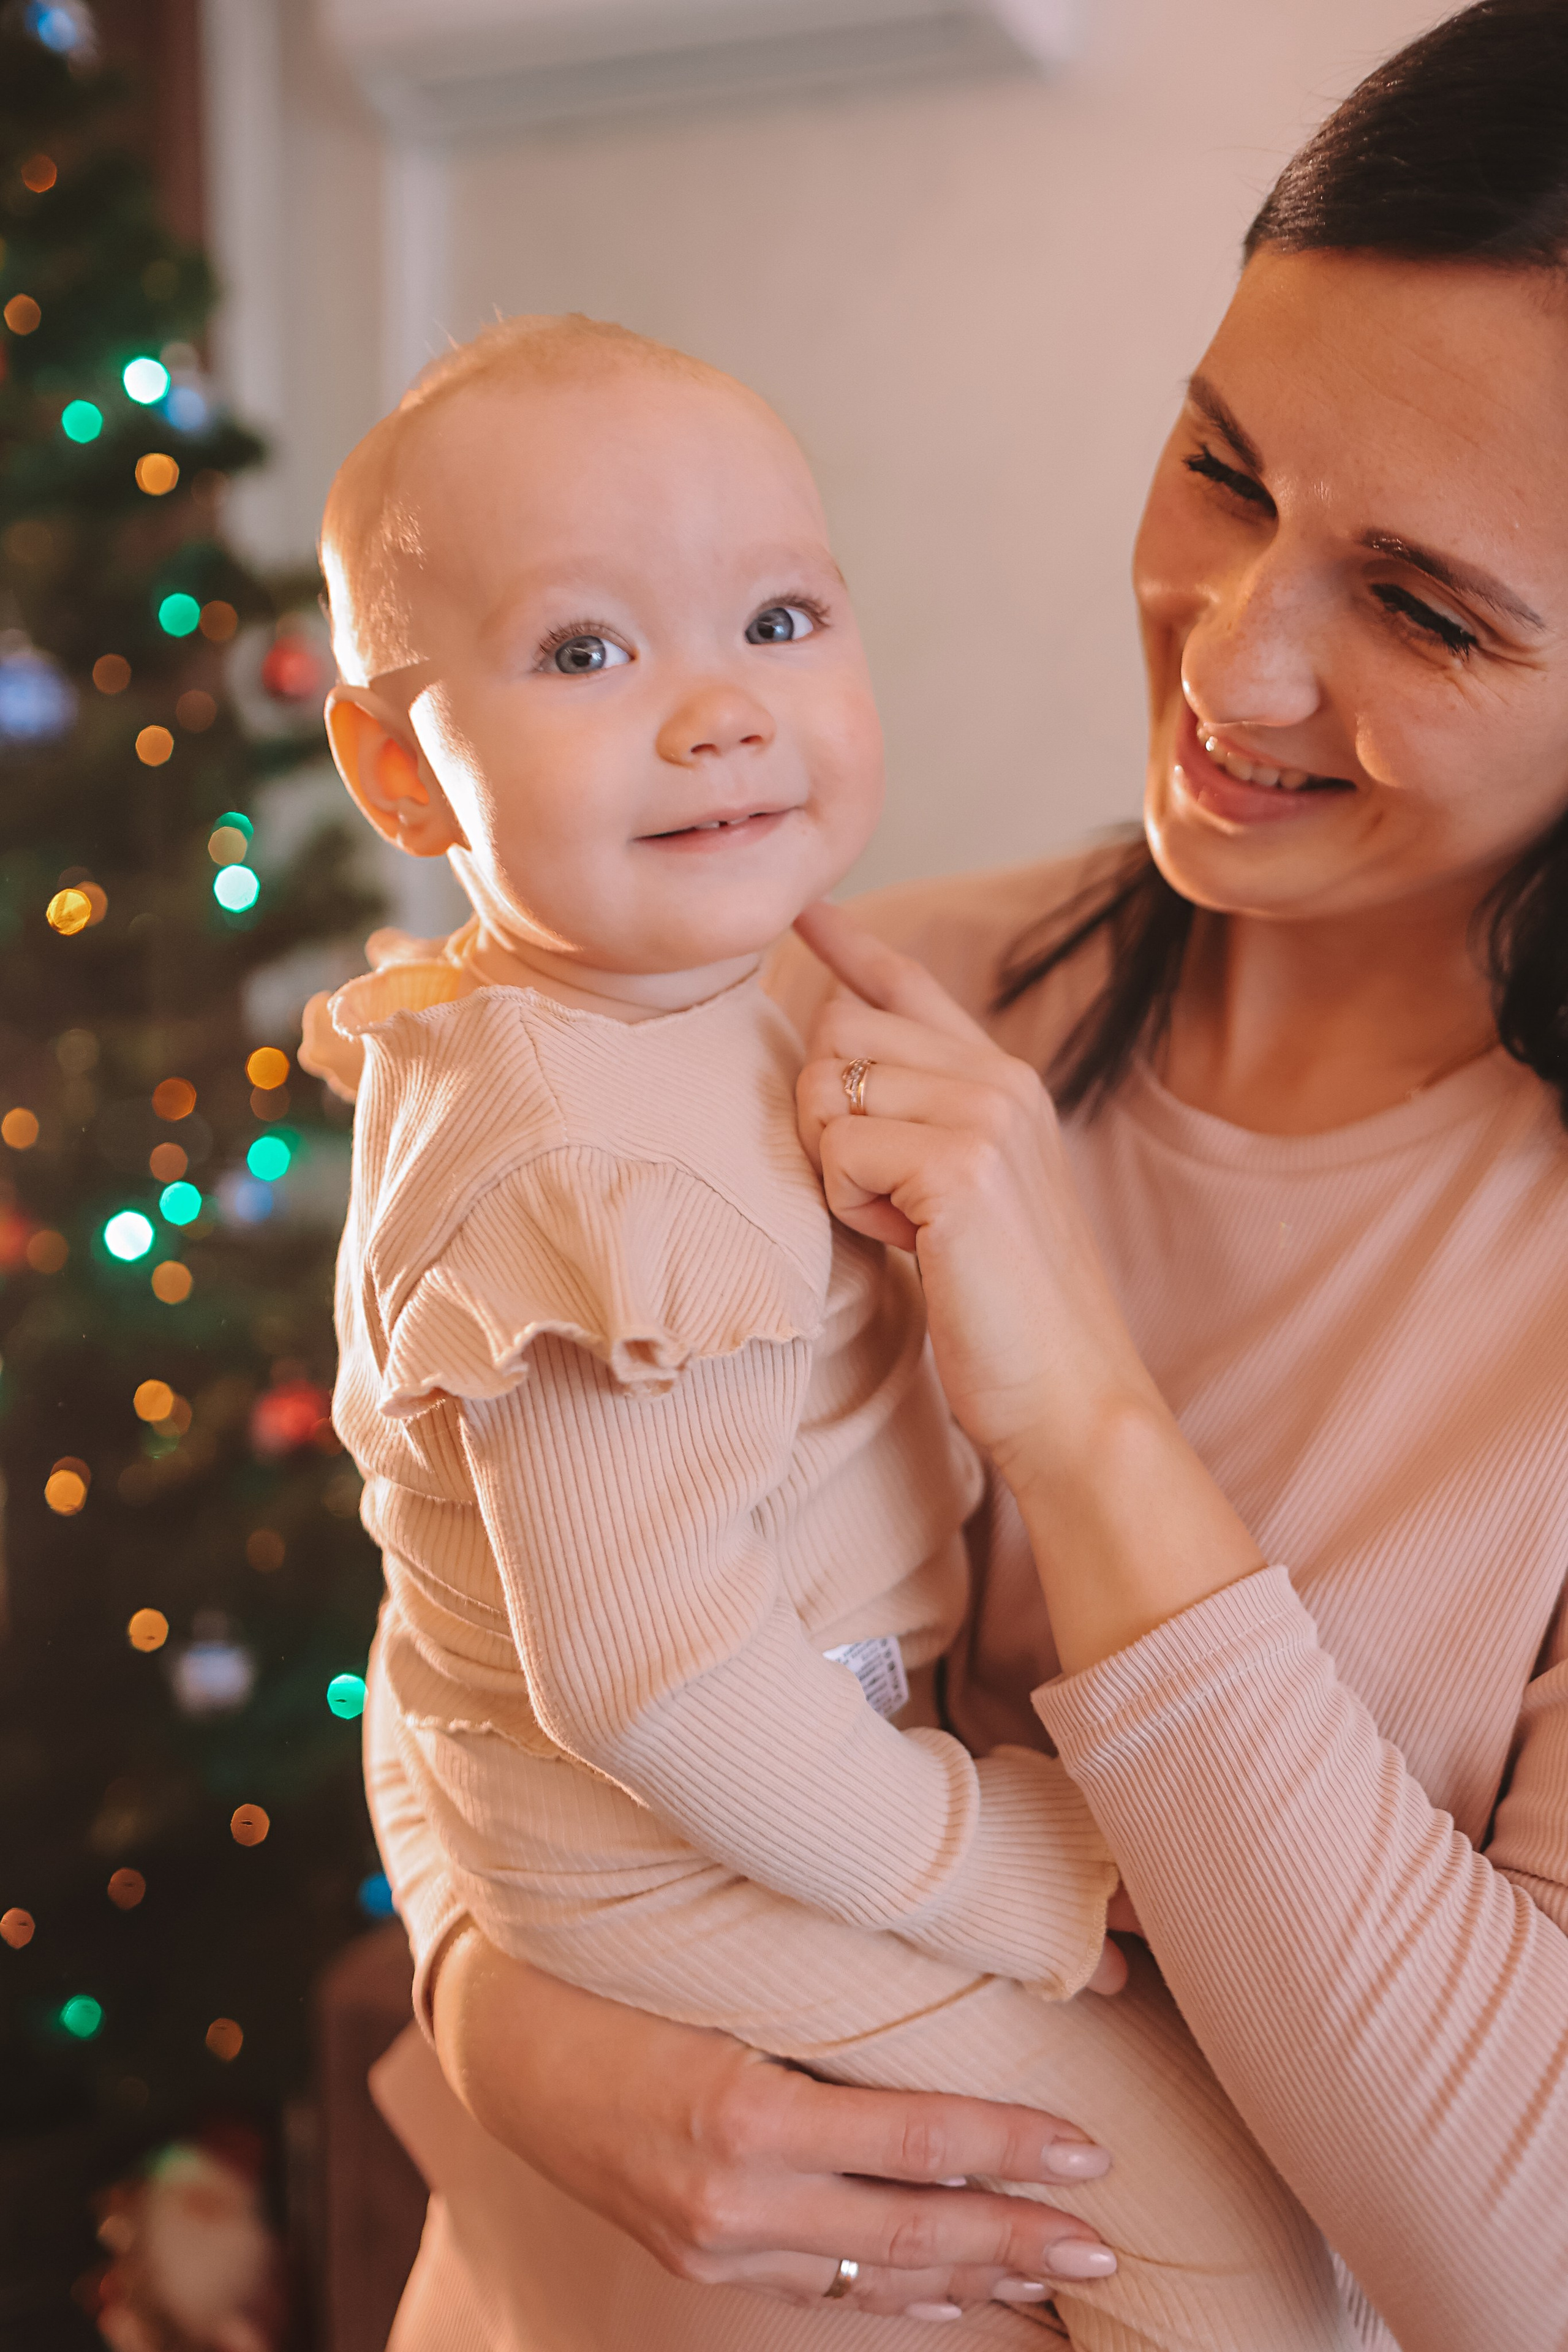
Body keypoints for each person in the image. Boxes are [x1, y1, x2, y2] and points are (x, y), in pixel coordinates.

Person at [358, 5, 1568, 2348]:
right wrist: (514, 2027)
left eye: (1422, 605)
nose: (1239, 660)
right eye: (1222, 472)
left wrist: (1086, 1420)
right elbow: (462, 1617)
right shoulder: (801, 985)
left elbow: (1525, 2260)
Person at [307, 312, 1357, 2351]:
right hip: (667, 1857)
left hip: (777, 1787)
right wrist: (1002, 1866)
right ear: (392, 766)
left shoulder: (718, 992)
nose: (717, 713)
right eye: (588, 652)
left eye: (780, 618)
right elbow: (649, 1678)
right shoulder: (579, 1169)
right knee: (1239, 2269)